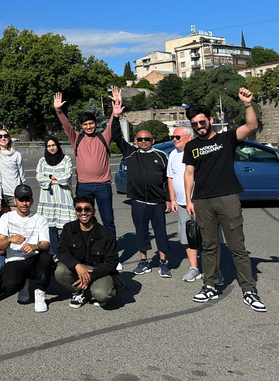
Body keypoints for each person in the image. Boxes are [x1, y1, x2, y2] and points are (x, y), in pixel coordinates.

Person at [184, 89, 266, 312]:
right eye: (195, 124)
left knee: (237, 246)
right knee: (209, 246)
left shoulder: (227, 138)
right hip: (202, 201)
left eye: (202, 122)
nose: (199, 126)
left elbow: (251, 126)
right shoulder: (191, 147)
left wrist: (248, 104)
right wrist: (189, 200)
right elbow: (189, 173)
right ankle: (209, 285)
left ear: (210, 120)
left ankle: (249, 290)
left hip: (228, 197)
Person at [54, 88, 120, 270]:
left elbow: (111, 125)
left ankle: (112, 257)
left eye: (91, 124)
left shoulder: (103, 137)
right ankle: (84, 253)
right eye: (85, 124)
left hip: (103, 185)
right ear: (81, 127)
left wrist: (115, 112)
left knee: (108, 221)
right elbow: (66, 126)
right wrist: (59, 111)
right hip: (83, 186)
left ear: (95, 124)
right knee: (83, 220)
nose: (88, 127)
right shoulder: (77, 139)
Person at [111, 89, 171, 277]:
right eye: (140, 139)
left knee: (161, 233)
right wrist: (115, 115)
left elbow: (168, 179)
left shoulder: (161, 156)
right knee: (141, 232)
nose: (143, 141)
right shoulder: (130, 152)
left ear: (153, 140)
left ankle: (163, 262)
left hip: (158, 202)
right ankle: (144, 261)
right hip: (138, 201)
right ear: (135, 140)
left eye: (147, 139)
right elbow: (115, 136)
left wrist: (169, 199)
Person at [167, 126, 223, 284]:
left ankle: (215, 270)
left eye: (177, 137)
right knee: (188, 236)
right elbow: (170, 178)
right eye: (173, 137)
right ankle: (194, 268)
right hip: (183, 204)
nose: (174, 140)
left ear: (189, 137)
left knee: (211, 237)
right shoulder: (173, 154)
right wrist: (172, 199)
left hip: (204, 201)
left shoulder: (201, 150)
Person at [54, 195, 123, 308]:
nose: (83, 212)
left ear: (93, 211)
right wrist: (76, 266)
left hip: (98, 270)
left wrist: (91, 275)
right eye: (79, 209)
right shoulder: (68, 228)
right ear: (75, 211)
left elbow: (112, 262)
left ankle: (100, 287)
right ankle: (79, 293)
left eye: (87, 209)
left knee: (102, 294)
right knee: (59, 270)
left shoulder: (105, 234)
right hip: (79, 267)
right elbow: (62, 251)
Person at [0, 184, 52, 312]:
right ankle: (23, 285)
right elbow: (0, 245)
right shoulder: (6, 218)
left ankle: (40, 292)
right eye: (21, 200)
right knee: (9, 286)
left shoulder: (40, 219)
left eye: (27, 200)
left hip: (33, 260)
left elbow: (46, 245)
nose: (24, 203)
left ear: (32, 200)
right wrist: (10, 239)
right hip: (15, 260)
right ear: (15, 201)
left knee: (46, 257)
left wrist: (35, 246)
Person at [34, 136, 73, 255]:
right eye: (49, 146)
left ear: (58, 145)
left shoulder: (66, 159)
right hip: (48, 199)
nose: (51, 148)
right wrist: (55, 179)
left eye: (53, 145)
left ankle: (68, 252)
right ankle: (54, 253)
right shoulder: (42, 161)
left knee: (68, 226)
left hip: (63, 198)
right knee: (51, 227)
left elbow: (67, 177)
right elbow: (39, 177)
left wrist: (49, 177)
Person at [0, 128, 25, 213]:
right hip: (0, 193)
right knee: (5, 221)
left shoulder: (17, 155)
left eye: (5, 136)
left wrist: (23, 191)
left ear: (9, 138)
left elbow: (22, 175)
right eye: (0, 136)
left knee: (16, 221)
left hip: (14, 192)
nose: (3, 138)